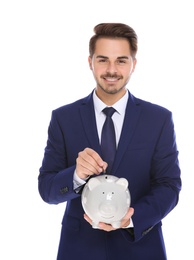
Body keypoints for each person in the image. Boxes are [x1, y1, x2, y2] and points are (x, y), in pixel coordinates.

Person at [38, 23, 181, 260]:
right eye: (103, 60)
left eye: (121, 60)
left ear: (134, 64)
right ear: (90, 62)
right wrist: (77, 176)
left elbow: (169, 186)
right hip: (80, 249)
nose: (111, 70)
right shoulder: (63, 118)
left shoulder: (159, 119)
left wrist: (132, 217)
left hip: (141, 248)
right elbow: (47, 189)